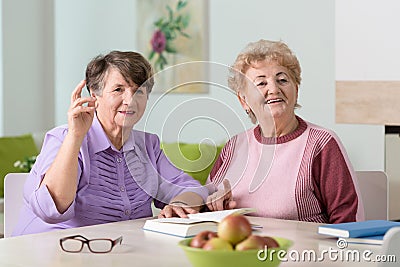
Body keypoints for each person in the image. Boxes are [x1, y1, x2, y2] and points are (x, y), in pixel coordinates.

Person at [13, 51, 207, 236]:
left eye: (139, 91)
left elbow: (192, 189)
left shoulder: (148, 145)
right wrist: (75, 136)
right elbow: (51, 211)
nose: (130, 100)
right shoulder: (65, 138)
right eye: (118, 89)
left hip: (120, 251)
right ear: (94, 96)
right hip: (53, 250)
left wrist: (181, 204)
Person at [205, 40, 364, 224]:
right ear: (244, 100)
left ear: (295, 89)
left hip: (302, 251)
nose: (273, 89)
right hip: (240, 250)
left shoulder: (321, 143)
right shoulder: (234, 146)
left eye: (282, 80)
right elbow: (204, 208)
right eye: (261, 83)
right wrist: (215, 206)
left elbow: (348, 221)